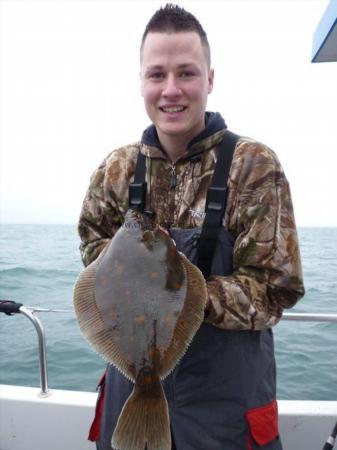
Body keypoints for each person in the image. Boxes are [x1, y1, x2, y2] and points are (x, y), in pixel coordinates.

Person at [78, 4, 305, 449]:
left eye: (186, 73)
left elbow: (278, 288)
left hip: (225, 402)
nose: (171, 90)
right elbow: (92, 249)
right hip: (132, 380)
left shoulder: (254, 167)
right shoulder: (116, 170)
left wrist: (182, 292)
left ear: (210, 79)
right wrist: (139, 275)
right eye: (157, 74)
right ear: (141, 81)